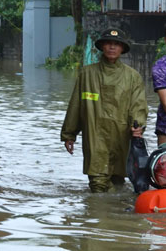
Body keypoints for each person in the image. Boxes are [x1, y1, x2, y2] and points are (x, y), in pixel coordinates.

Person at [61, 28, 148, 193]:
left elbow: (139, 105)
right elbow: (76, 106)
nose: (112, 47)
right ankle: (97, 214)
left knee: (118, 181)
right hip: (95, 136)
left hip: (121, 136)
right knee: (98, 184)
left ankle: (112, 214)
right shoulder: (87, 74)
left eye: (117, 44)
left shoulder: (132, 77)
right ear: (102, 46)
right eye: (108, 43)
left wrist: (138, 126)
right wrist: (69, 134)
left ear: (122, 48)